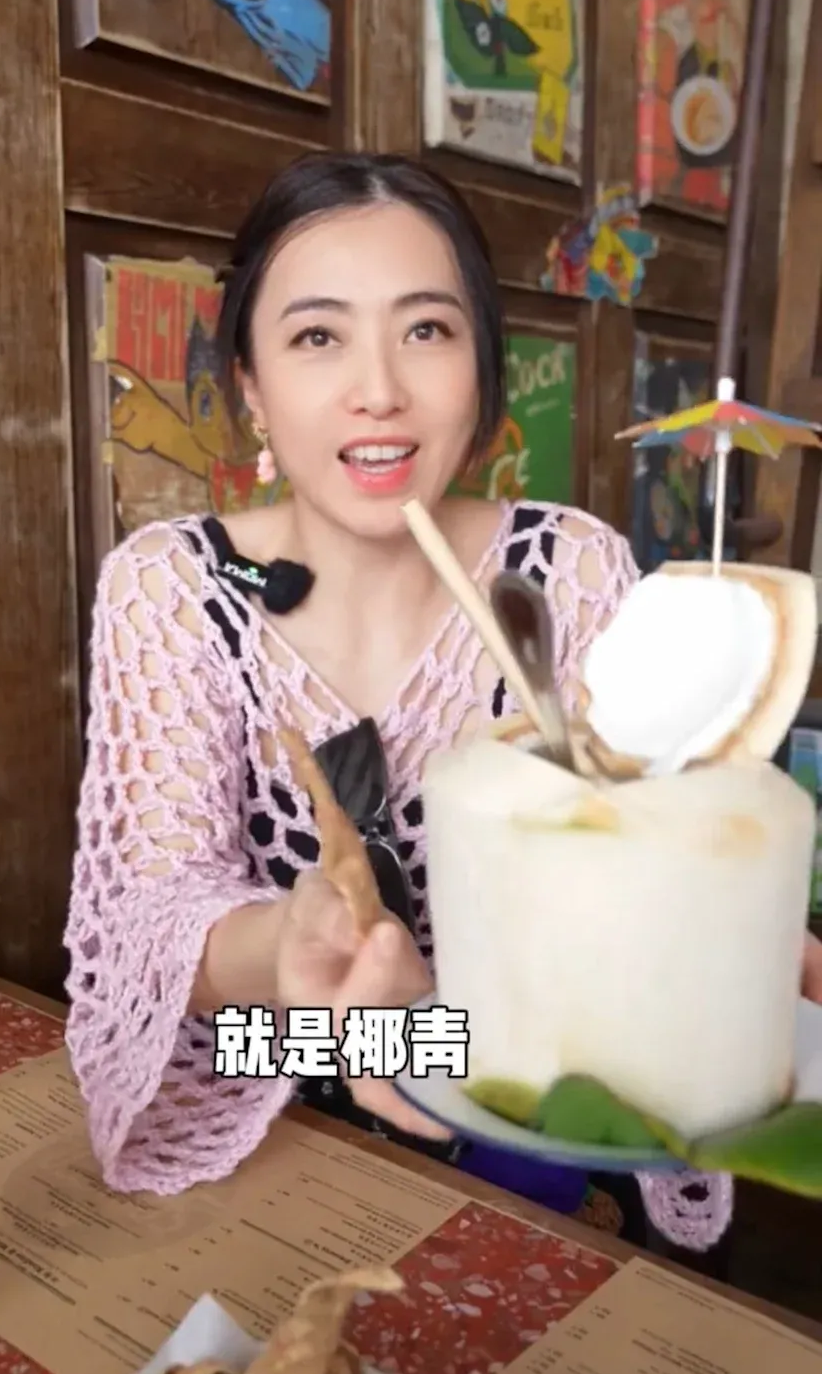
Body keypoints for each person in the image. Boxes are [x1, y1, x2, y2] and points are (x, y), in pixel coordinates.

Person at [64, 151, 822, 1259]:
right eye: (317, 337)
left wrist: (736, 927)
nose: (379, 388)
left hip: (529, 1079)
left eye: (426, 329)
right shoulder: (173, 584)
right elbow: (153, 922)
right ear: (251, 387)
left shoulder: (567, 567)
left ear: (483, 372)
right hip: (277, 1085)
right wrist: (290, 947)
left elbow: (649, 842)